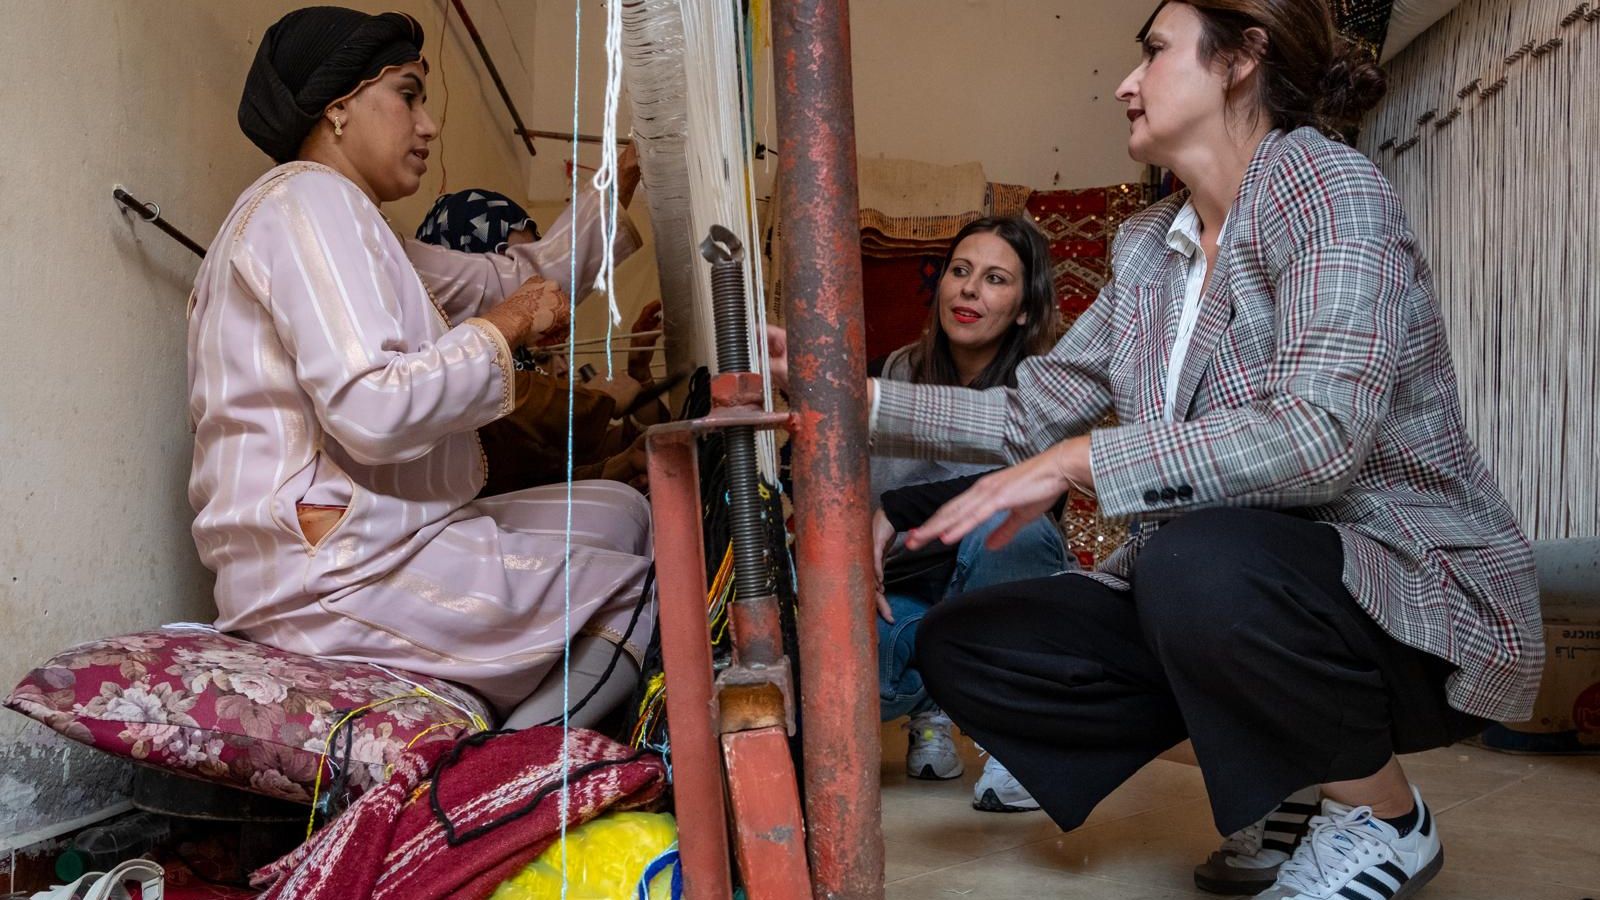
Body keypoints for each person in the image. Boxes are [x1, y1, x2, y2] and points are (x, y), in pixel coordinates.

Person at [769, 1, 1543, 896]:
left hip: (1403, 595)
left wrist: (1081, 462)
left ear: (1240, 60)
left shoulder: (1329, 188)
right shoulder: (1149, 247)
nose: (1127, 84)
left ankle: (1384, 816)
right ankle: (1291, 774)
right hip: (1221, 590)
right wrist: (844, 393)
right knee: (968, 644)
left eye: (1154, 52)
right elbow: (1029, 415)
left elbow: (1319, 435)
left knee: (1192, 559)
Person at [191, 6, 654, 731]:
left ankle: (516, 717)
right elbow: (373, 409)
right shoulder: (306, 201)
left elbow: (519, 277)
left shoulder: (365, 229)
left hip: (377, 534)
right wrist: (506, 325)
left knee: (622, 513)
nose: (429, 125)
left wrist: (617, 180)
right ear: (337, 107)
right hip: (327, 569)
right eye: (408, 95)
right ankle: (502, 774)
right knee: (640, 591)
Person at [867, 216, 1073, 812]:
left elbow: (1028, 489)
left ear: (1025, 310)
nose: (969, 289)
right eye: (960, 271)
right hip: (902, 592)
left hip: (997, 588)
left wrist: (897, 509)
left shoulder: (1046, 392)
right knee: (856, 681)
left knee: (1014, 531)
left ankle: (1014, 738)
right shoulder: (886, 375)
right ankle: (932, 704)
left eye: (995, 279)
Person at [413, 181, 668, 493]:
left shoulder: (522, 362)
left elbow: (559, 475)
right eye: (509, 265)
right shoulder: (436, 365)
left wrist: (639, 377)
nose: (528, 282)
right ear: (464, 265)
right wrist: (593, 402)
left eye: (528, 262)